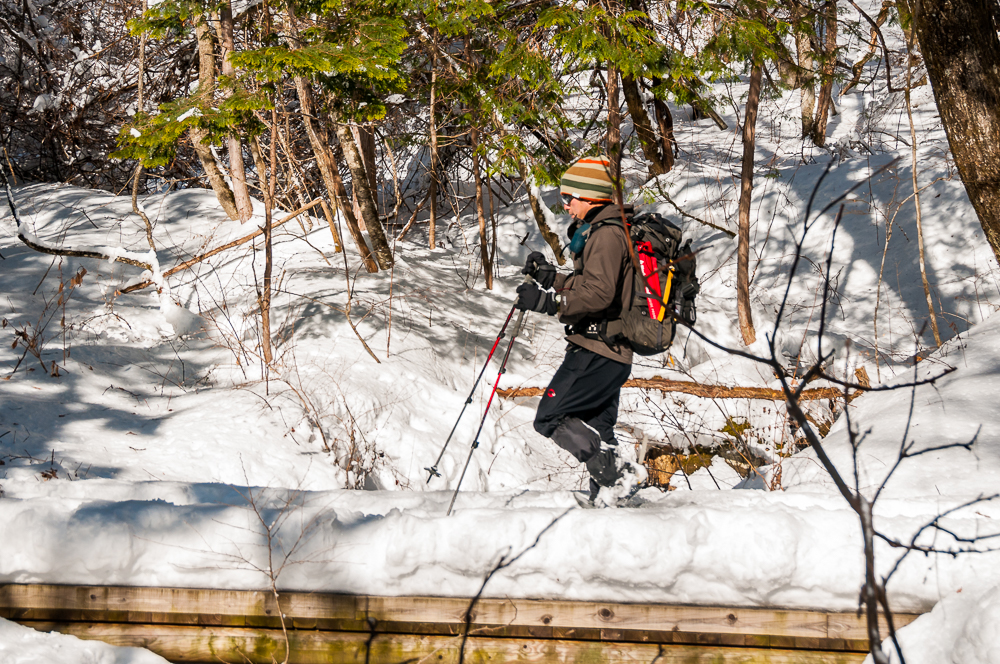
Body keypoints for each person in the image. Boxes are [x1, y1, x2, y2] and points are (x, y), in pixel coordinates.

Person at [514, 155, 636, 501]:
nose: (564, 204)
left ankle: (616, 476)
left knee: (549, 418)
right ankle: (612, 500)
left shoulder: (608, 235)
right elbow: (591, 283)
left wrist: (548, 302)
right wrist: (550, 278)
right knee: (600, 428)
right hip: (613, 350)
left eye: (569, 197)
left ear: (591, 197)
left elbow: (598, 294)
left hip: (597, 348)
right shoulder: (608, 230)